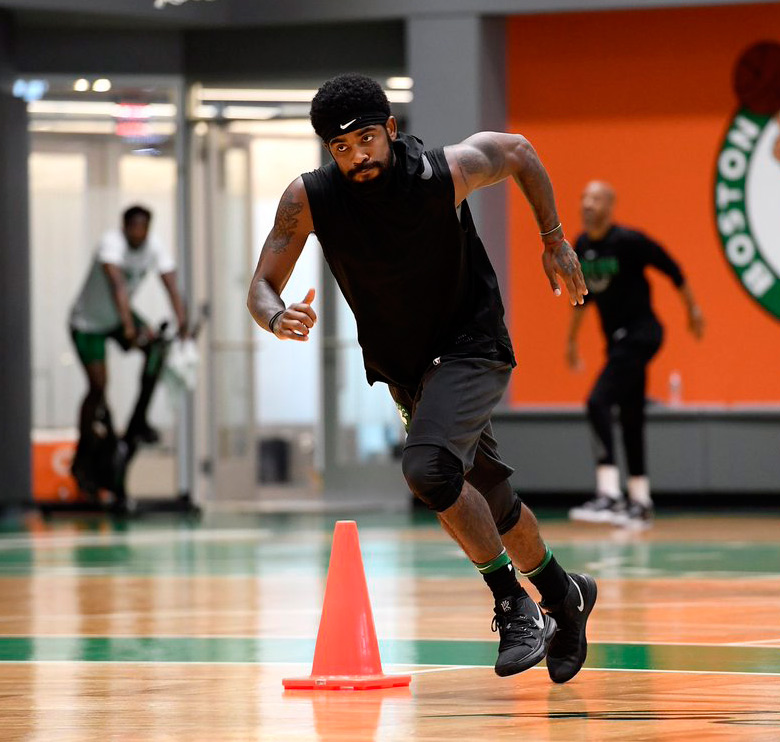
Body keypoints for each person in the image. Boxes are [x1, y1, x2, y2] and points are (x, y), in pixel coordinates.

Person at [247, 73, 597, 682]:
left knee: (427, 469)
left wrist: (553, 239)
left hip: (472, 345)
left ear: (389, 129)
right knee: (487, 496)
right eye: (340, 148)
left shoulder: (441, 174)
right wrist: (277, 317)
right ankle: (564, 597)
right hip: (407, 370)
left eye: (364, 141)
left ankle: (513, 605)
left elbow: (518, 150)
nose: (356, 157)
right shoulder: (310, 199)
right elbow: (259, 285)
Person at [566, 181, 704, 529]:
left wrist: (693, 311)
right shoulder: (582, 245)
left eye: (596, 198)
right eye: (584, 198)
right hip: (617, 341)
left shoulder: (628, 242)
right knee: (630, 415)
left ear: (611, 206)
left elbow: (672, 268)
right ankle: (640, 501)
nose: (587, 204)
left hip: (642, 333)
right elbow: (586, 298)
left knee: (597, 402)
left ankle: (609, 495)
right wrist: (571, 342)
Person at [69, 205, 188, 497]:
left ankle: (139, 421)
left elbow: (171, 285)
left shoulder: (154, 247)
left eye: (143, 227)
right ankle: (84, 451)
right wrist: (128, 328)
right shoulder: (111, 244)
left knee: (157, 349)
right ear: (124, 227)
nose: (139, 233)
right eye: (133, 227)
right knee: (98, 387)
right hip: (88, 323)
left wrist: (182, 320)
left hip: (117, 318)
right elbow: (118, 286)